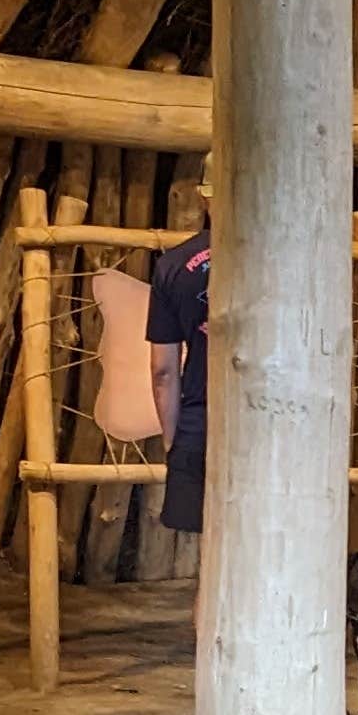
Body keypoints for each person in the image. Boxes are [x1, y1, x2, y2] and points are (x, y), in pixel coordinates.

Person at [145, 183, 210, 539]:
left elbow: (164, 371)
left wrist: (173, 440)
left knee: (211, 553)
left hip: (200, 424)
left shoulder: (172, 265)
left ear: (204, 196)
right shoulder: (279, 258)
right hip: (273, 420)